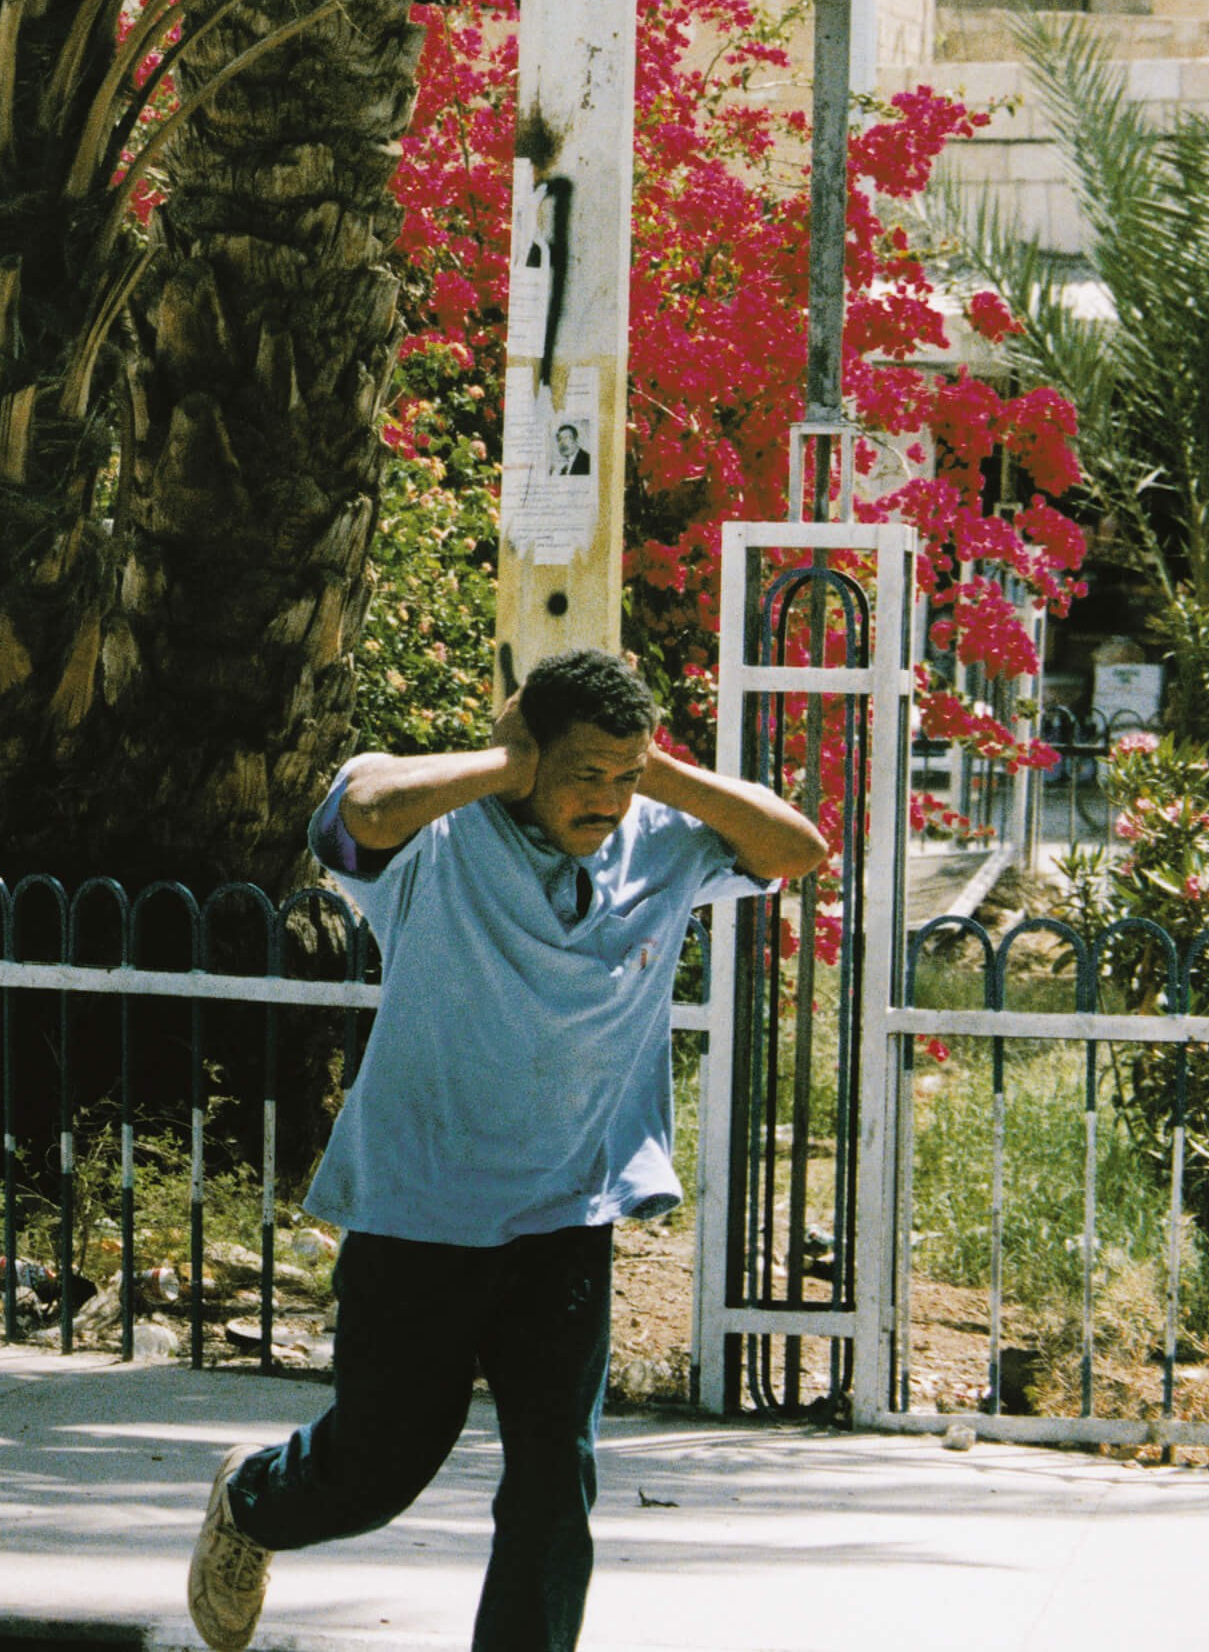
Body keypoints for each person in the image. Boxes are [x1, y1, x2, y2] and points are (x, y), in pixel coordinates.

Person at [186, 648, 828, 1652]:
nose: (606, 800)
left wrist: (648, 770)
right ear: (526, 753)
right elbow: (356, 808)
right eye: (585, 773)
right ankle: (253, 1499)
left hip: (564, 1216)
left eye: (624, 776)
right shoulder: (436, 842)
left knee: (551, 1479)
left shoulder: (657, 839)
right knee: (372, 1471)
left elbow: (796, 848)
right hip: (418, 1211)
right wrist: (503, 762)